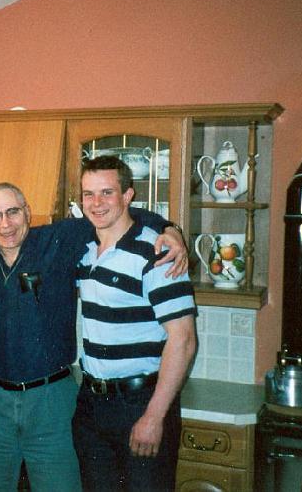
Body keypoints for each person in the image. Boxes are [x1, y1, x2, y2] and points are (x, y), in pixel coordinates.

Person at [0, 182, 187, 491]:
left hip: (51, 399)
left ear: (28, 213)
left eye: (13, 212)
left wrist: (169, 228)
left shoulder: (58, 239)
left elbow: (116, 213)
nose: (5, 224)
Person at [72, 155, 197, 492]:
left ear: (128, 196)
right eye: (88, 194)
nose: (96, 203)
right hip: (92, 404)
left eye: (106, 193)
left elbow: (183, 340)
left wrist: (154, 417)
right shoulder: (85, 251)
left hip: (140, 403)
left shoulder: (157, 252)